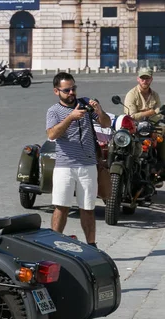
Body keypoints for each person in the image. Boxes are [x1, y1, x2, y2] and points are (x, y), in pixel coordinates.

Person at [46, 72, 111, 248]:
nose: (71, 93)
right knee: (61, 207)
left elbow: (105, 124)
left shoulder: (85, 103)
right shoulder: (54, 111)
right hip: (65, 166)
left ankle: (92, 245)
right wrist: (70, 118)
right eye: (66, 90)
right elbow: (52, 134)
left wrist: (99, 110)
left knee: (88, 208)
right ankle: (54, 245)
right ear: (56, 91)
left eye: (73, 88)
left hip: (88, 165)